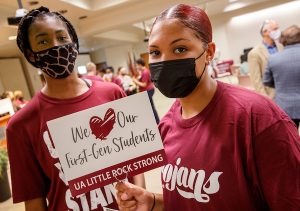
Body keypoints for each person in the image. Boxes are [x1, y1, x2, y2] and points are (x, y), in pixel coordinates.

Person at [115, 4, 300, 211]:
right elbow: (198, 199)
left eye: (180, 49)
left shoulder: (257, 118)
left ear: (209, 52)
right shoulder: (166, 125)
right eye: (155, 52)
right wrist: (153, 202)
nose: (165, 61)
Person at [6, 6, 144, 211]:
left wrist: (139, 200)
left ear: (74, 43)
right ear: (31, 54)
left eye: (62, 38)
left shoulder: (112, 93)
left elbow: (136, 162)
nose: (56, 46)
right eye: (43, 41)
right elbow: (33, 200)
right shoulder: (21, 125)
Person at [263, 25, 300, 129]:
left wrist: (281, 83)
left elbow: (266, 81)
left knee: (292, 140)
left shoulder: (273, 59)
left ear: (282, 40)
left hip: (285, 106)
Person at [248, 19, 283, 99]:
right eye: (275, 29)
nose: (278, 31)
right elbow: (256, 81)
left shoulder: (282, 46)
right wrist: (267, 100)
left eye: (278, 28)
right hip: (272, 96)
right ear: (265, 32)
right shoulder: (254, 53)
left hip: (286, 93)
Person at [133, 58, 160, 124]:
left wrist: (135, 81)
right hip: (148, 90)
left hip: (148, 90)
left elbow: (144, 84)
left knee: (151, 107)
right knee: (150, 107)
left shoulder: (145, 72)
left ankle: (157, 121)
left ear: (140, 65)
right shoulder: (144, 71)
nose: (136, 67)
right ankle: (156, 121)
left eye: (136, 65)